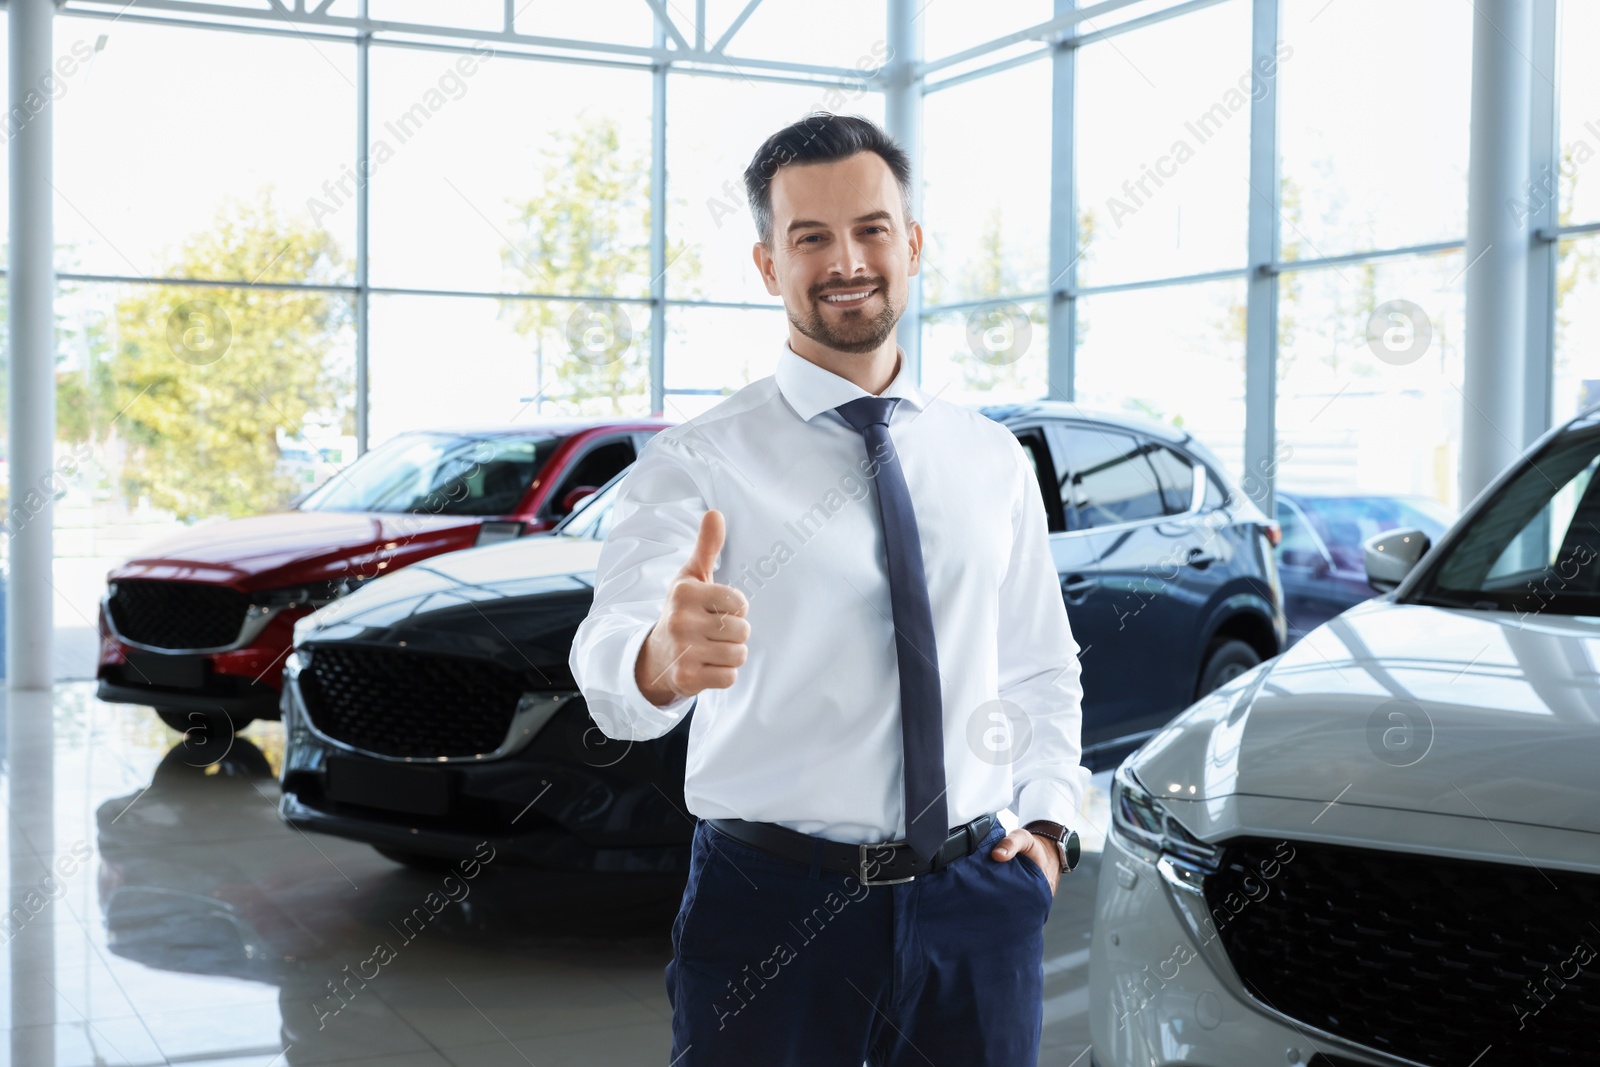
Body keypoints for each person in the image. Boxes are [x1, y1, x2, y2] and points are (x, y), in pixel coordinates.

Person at [569, 112, 1090, 1066]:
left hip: (978, 901)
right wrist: (657, 661)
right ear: (769, 265)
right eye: (810, 237)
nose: (846, 259)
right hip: (774, 908)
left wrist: (1052, 825)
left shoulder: (989, 456)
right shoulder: (696, 462)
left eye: (871, 229)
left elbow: (1040, 665)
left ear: (913, 244)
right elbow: (609, 664)